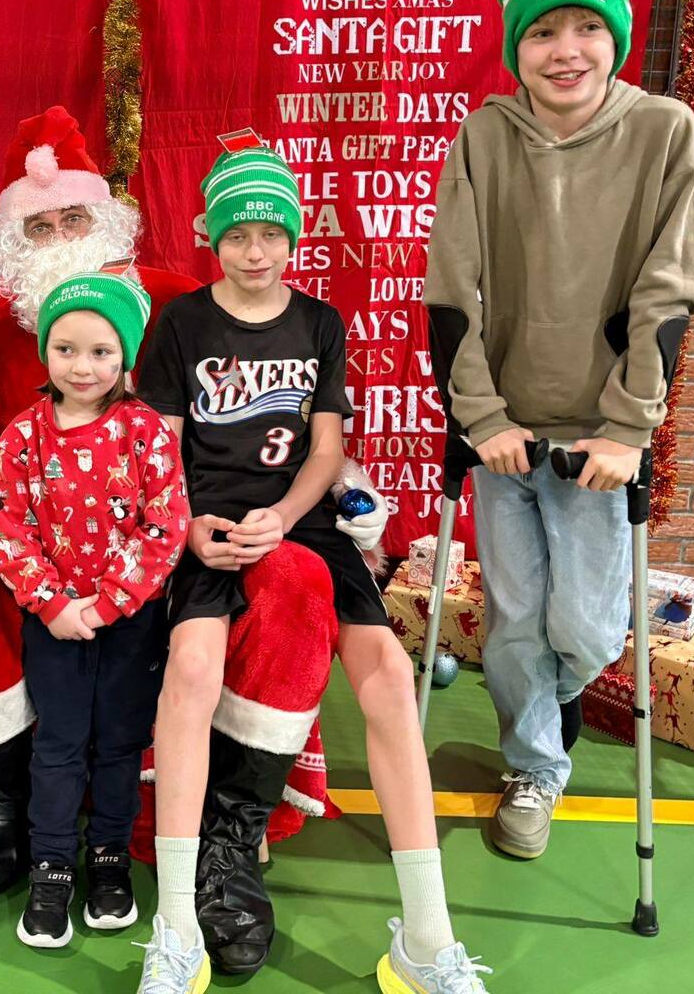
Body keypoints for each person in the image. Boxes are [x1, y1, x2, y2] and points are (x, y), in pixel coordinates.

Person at [0, 108, 339, 942]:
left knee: (300, 577)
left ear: (106, 217)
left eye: (73, 218)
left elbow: (251, 432)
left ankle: (228, 837)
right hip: (40, 529)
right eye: (39, 226)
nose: (59, 237)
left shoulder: (178, 302)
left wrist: (210, 525)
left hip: (175, 518)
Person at [134, 135, 490, 994]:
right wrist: (189, 528)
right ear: (211, 237)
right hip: (211, 523)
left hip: (301, 519)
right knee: (191, 668)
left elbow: (327, 449)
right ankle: (176, 927)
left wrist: (289, 517)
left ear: (294, 238)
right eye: (238, 234)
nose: (255, 251)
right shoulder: (181, 323)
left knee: (391, 679)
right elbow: (158, 449)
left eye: (271, 234)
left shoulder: (320, 323)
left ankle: (428, 939)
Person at [424, 0, 694, 863]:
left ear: (614, 39)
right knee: (514, 621)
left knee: (583, 629)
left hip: (599, 440)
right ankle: (536, 767)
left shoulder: (666, 132)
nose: (566, 49)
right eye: (543, 31)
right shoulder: (483, 138)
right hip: (506, 433)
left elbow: (669, 291)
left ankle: (551, 707)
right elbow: (452, 291)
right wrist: (481, 416)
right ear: (517, 46)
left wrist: (629, 428)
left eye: (587, 27)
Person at [0, 269, 189, 949]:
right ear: (44, 350)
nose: (82, 366)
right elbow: (8, 529)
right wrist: (52, 605)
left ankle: (108, 859)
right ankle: (50, 868)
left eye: (101, 352)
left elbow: (165, 527)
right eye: (66, 349)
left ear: (125, 356)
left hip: (129, 625)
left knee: (120, 744)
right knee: (58, 746)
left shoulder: (145, 431)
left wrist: (106, 605)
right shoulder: (21, 438)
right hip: (53, 626)